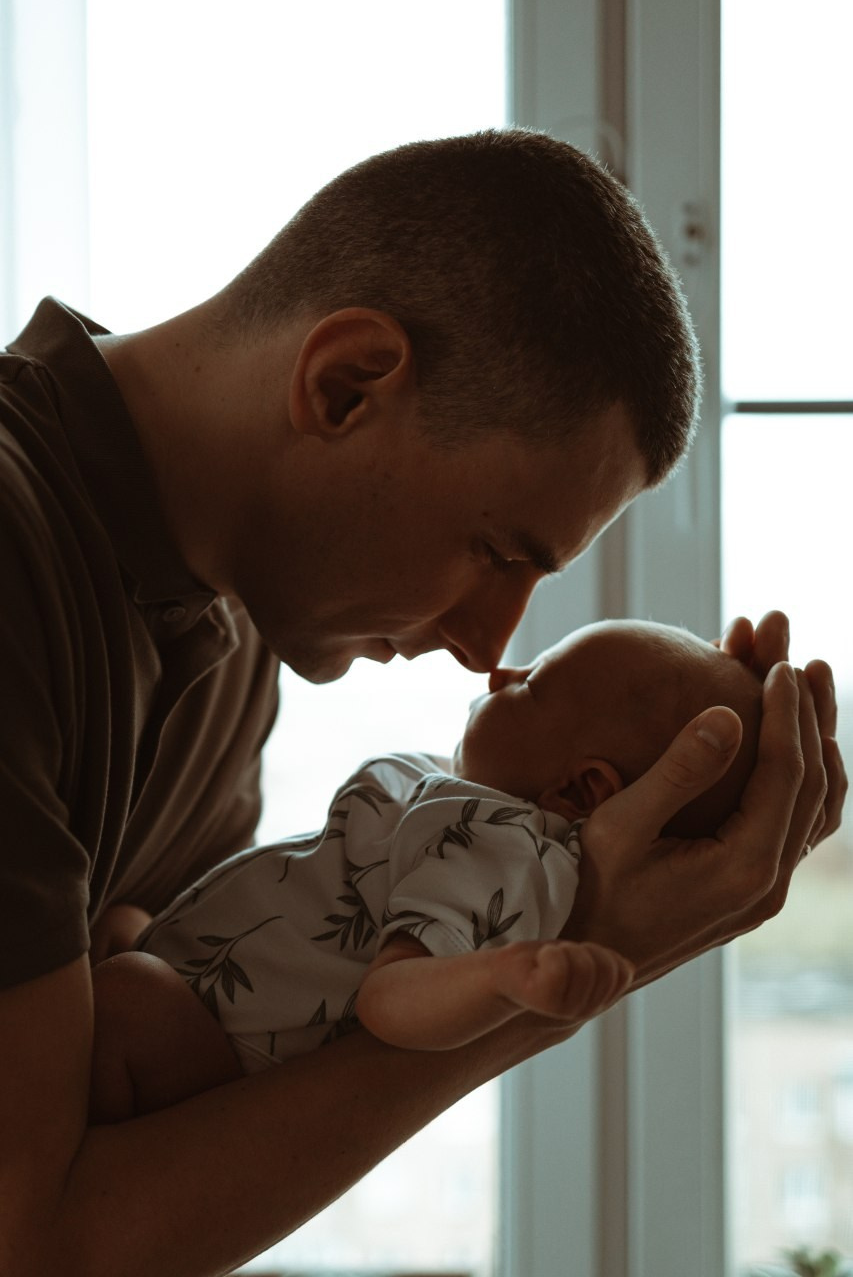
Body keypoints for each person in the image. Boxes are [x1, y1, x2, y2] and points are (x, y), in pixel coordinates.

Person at [0, 128, 842, 1277]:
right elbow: (38, 1236)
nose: (484, 645)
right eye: (494, 550)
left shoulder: (235, 640)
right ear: (346, 383)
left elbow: (148, 1129)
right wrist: (568, 961)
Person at [89, 619, 764, 1123]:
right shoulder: (468, 809)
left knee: (125, 999)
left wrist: (501, 980)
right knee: (122, 934)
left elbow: (392, 1001)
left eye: (531, 685)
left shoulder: (496, 848)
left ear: (580, 791)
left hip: (214, 1046)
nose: (502, 673)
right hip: (199, 983)